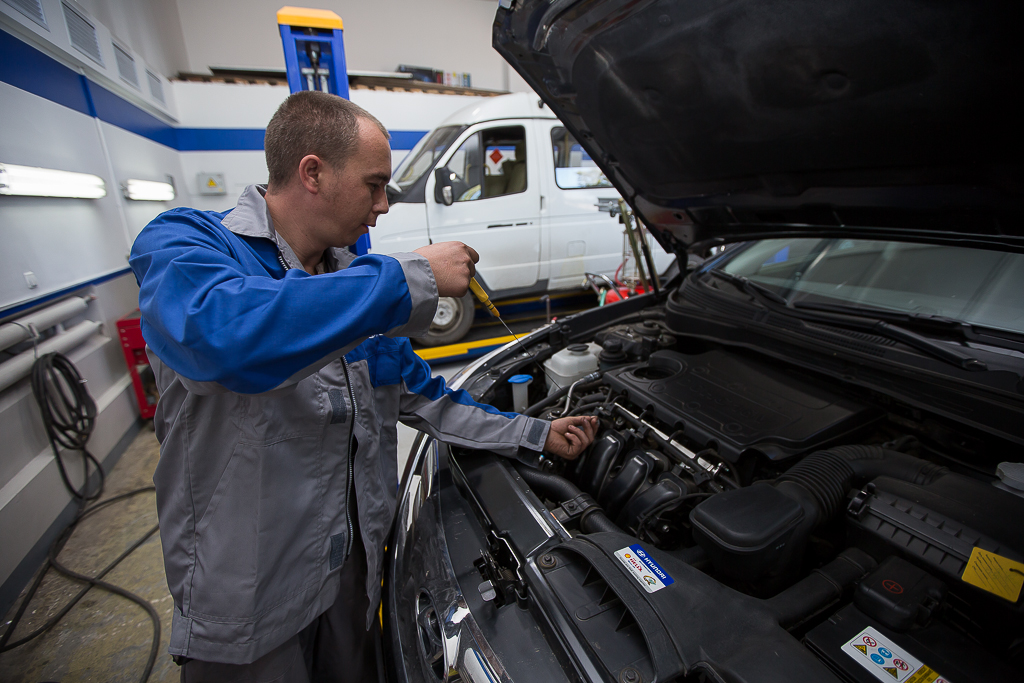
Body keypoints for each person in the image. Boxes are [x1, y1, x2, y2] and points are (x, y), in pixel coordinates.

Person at [129, 90, 598, 682]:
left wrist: (536, 433)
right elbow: (222, 338)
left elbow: (433, 399)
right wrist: (412, 276)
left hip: (352, 574)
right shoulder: (188, 247)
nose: (382, 207)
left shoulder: (351, 290)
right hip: (249, 604)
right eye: (374, 185)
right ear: (313, 173)